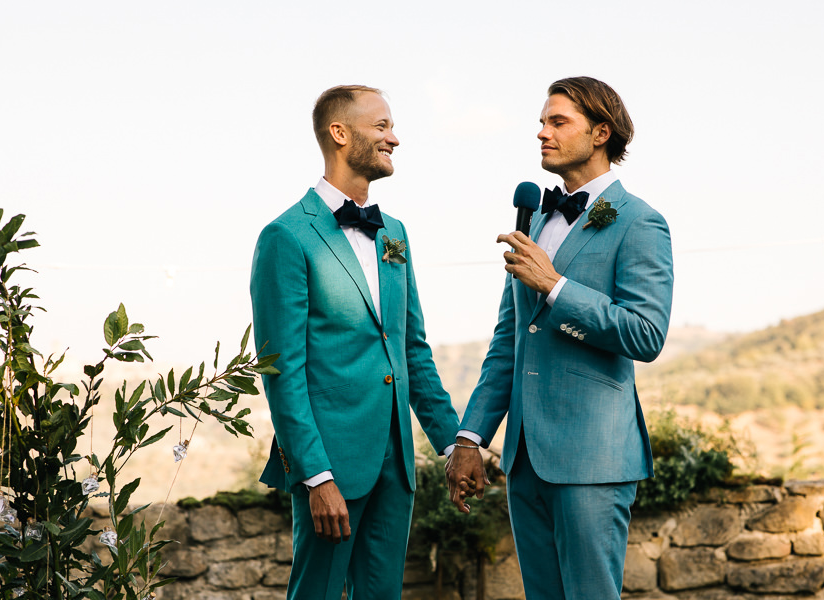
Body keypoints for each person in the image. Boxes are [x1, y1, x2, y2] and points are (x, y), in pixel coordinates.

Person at [446, 76, 674, 600]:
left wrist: (555, 285)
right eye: (542, 123)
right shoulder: (537, 219)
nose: (542, 133)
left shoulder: (641, 223)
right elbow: (510, 340)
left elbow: (646, 333)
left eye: (557, 122)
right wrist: (470, 438)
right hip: (525, 460)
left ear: (600, 133)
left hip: (593, 459)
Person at [250, 84, 459, 600]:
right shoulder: (286, 236)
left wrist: (453, 444)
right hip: (332, 467)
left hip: (397, 462)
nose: (395, 138)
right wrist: (316, 476)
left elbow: (411, 350)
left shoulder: (395, 234)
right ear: (340, 134)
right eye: (383, 126)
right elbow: (282, 371)